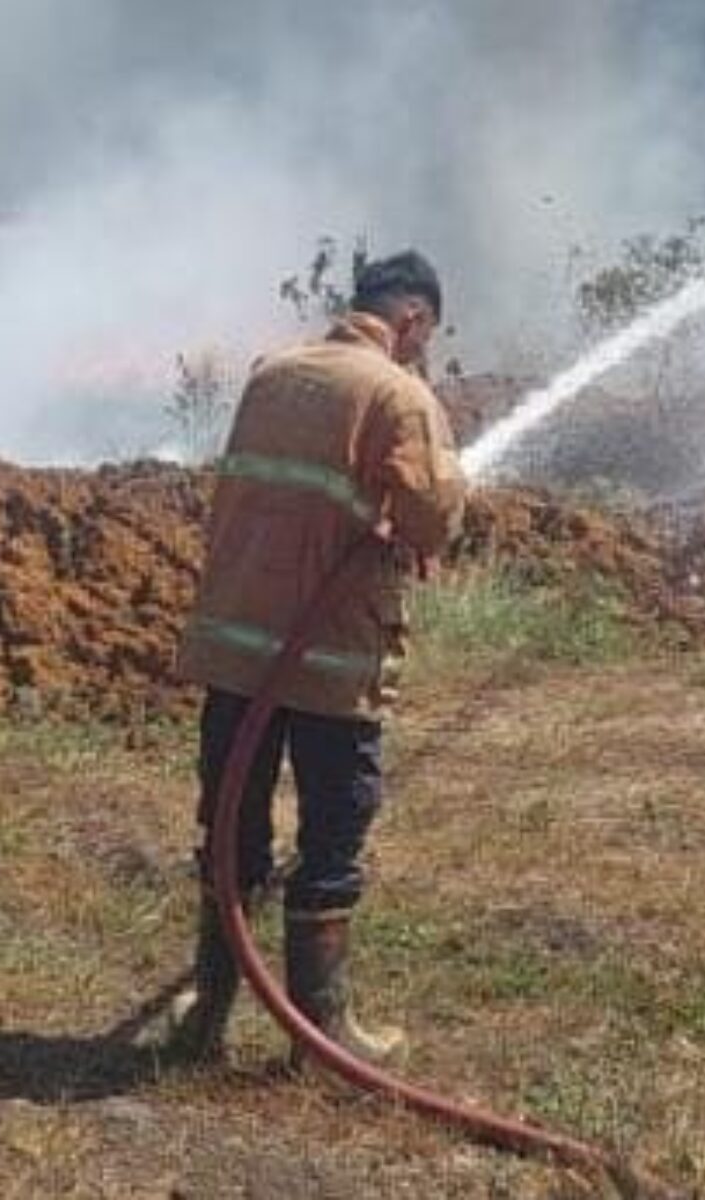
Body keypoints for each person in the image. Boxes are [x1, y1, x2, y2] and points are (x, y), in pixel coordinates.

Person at [163, 250, 468, 1066]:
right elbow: (433, 519)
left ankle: (208, 1017)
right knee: (333, 834)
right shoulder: (400, 394)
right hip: (330, 658)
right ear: (413, 322)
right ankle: (324, 1036)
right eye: (424, 336)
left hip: (237, 651)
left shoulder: (273, 374)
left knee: (230, 827)